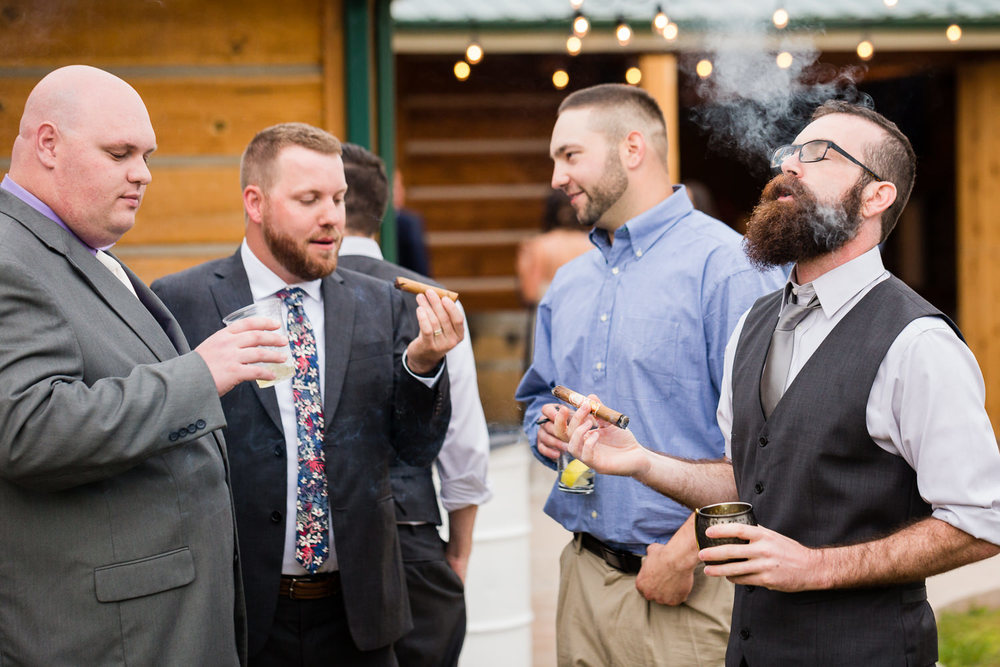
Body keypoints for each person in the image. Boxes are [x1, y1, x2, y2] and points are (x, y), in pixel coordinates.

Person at [562, 100, 1000, 666]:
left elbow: (982, 520)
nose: (789, 166)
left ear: (876, 196)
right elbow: (751, 481)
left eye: (818, 155)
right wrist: (641, 461)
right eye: (790, 153)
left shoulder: (917, 343)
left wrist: (816, 567)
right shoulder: (755, 322)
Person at [0, 65, 288, 664]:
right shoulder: (12, 257)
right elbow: (29, 429)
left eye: (146, 155)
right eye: (119, 152)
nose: (143, 174)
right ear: (47, 145)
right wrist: (200, 375)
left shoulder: (77, 247)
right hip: (111, 639)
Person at [151, 123, 461, 666]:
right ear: (256, 202)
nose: (332, 217)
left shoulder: (379, 303)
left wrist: (424, 364)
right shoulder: (182, 301)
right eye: (310, 199)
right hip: (237, 615)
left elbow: (414, 450)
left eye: (339, 198)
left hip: (357, 617)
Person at [514, 83, 786, 666]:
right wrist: (545, 427)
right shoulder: (569, 283)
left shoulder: (729, 269)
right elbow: (537, 396)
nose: (557, 177)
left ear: (632, 148)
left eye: (570, 155)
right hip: (582, 581)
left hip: (690, 587)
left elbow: (774, 447)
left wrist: (686, 553)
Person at [337, 143, 492, 667]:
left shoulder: (286, 299)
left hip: (317, 556)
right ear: (384, 209)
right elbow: (464, 445)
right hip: (413, 544)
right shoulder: (434, 301)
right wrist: (459, 553)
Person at [393, 169, 432, 276]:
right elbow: (420, 267)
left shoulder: (410, 221)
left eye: (401, 186)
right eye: (396, 187)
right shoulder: (408, 223)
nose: (402, 191)